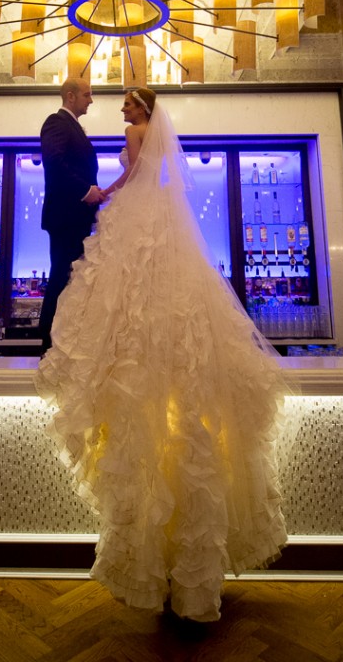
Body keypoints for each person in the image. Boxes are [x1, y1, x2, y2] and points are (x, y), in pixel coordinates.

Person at [36, 88, 289, 622]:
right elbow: (158, 176)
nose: (122, 111)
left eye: (128, 104)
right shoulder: (157, 139)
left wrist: (104, 193)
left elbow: (133, 175)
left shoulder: (135, 134)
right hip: (158, 214)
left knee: (123, 287)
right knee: (167, 289)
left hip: (134, 211)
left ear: (142, 110)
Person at [38, 78, 105, 352]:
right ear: (70, 96)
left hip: (75, 217)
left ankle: (61, 343)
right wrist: (85, 190)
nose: (91, 100)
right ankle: (48, 344)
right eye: (87, 95)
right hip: (66, 217)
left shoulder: (73, 126)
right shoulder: (56, 122)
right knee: (61, 277)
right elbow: (54, 162)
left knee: (70, 279)